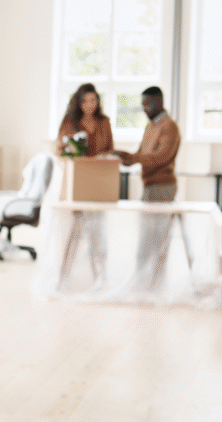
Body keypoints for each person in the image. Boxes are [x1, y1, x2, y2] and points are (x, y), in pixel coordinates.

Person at [114, 86, 181, 289]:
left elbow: (161, 157)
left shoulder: (170, 127)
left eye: (148, 104)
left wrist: (133, 158)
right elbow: (142, 153)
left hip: (163, 187)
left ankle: (157, 284)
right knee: (145, 237)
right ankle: (143, 281)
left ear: (159, 102)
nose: (144, 108)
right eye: (142, 104)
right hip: (149, 187)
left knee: (158, 239)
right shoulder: (150, 126)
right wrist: (126, 157)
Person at [56, 83, 114, 287]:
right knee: (74, 231)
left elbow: (109, 148)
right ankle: (66, 275)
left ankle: (100, 275)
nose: (89, 105)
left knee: (97, 230)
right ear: (78, 103)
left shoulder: (104, 122)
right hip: (76, 181)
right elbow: (61, 151)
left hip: (97, 181)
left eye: (93, 100)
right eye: (85, 101)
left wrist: (100, 158)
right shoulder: (70, 122)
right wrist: (74, 155)